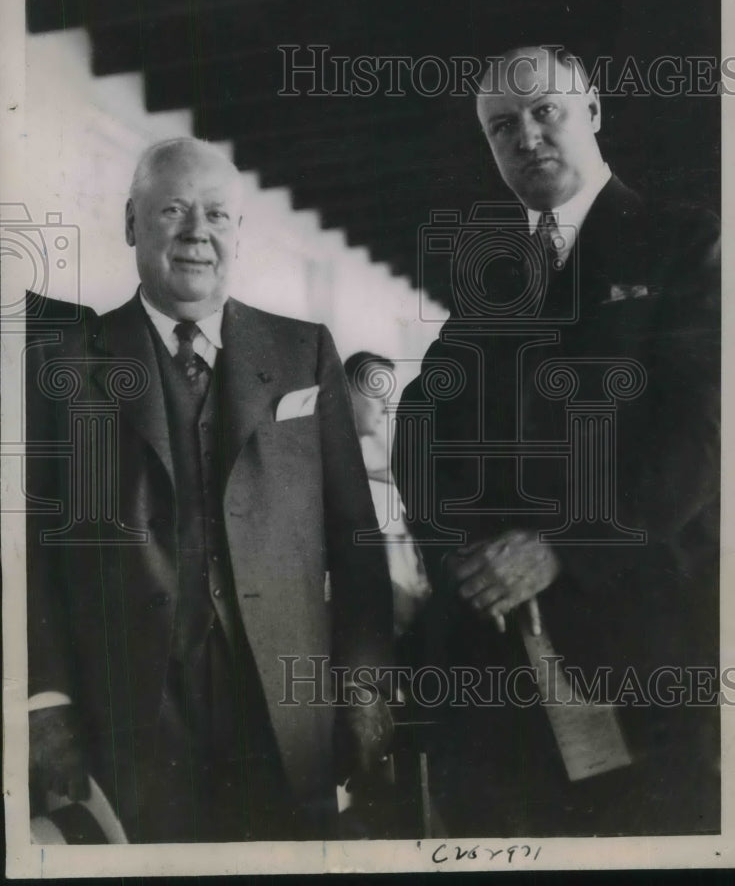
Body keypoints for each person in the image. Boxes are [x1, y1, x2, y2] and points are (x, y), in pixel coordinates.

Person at [27, 138, 394, 843]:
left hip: (288, 713)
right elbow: (33, 553)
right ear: (133, 224)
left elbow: (354, 536)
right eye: (173, 210)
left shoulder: (304, 351)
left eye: (217, 215)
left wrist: (365, 684)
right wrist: (45, 704)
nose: (198, 232)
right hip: (128, 717)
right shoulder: (64, 362)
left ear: (238, 233)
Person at [394, 46, 720, 836]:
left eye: (546, 112)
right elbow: (419, 427)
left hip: (636, 646)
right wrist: (464, 558)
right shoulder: (494, 274)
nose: (526, 137)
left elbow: (701, 437)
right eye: (501, 127)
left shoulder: (687, 242)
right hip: (492, 657)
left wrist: (557, 547)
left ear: (594, 112)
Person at [344, 352, 431, 641]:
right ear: (346, 390)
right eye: (376, 394)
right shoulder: (323, 463)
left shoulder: (380, 456)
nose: (385, 407)